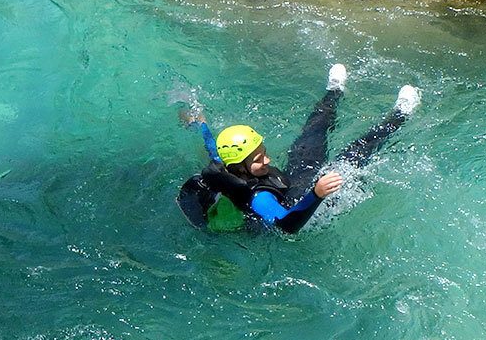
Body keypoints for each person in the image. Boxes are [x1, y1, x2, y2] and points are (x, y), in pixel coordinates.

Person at [178, 64, 420, 233]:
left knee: (311, 135)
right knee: (355, 154)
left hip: (294, 182)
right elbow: (287, 227)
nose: (267, 159)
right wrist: (317, 194)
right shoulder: (258, 198)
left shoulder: (229, 164)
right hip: (303, 208)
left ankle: (333, 91)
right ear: (239, 168)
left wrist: (199, 123)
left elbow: (212, 146)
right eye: (258, 158)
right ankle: (400, 115)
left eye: (263, 151)